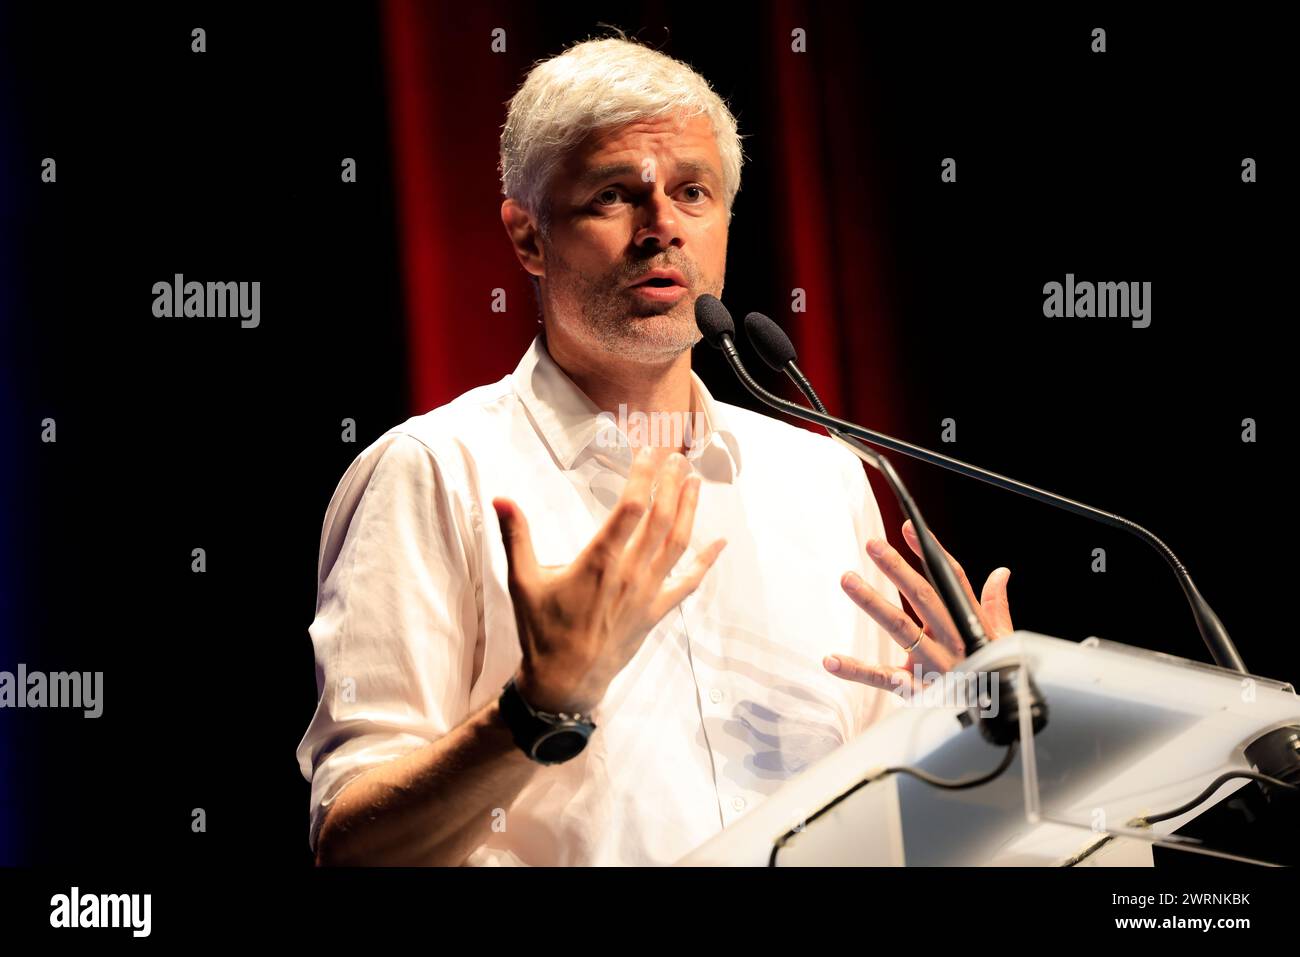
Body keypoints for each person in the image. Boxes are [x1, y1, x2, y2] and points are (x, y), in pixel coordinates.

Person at [296, 34, 1014, 866]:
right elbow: (353, 846)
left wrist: (974, 730)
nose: (662, 228)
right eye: (612, 196)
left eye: (693, 192)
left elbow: (893, 828)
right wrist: (536, 708)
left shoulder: (824, 478)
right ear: (527, 239)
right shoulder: (433, 471)